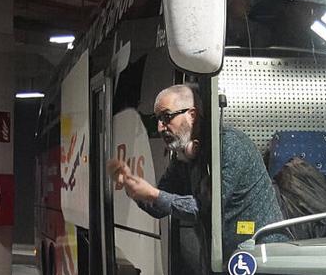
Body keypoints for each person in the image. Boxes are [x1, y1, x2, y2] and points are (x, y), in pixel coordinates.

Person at [108, 82, 284, 247]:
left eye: (166, 117)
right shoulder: (184, 155)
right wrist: (134, 187)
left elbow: (203, 209)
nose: (161, 127)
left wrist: (153, 194)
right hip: (225, 259)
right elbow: (160, 207)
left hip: (261, 255)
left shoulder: (228, 145)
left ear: (192, 115)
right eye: (158, 119)